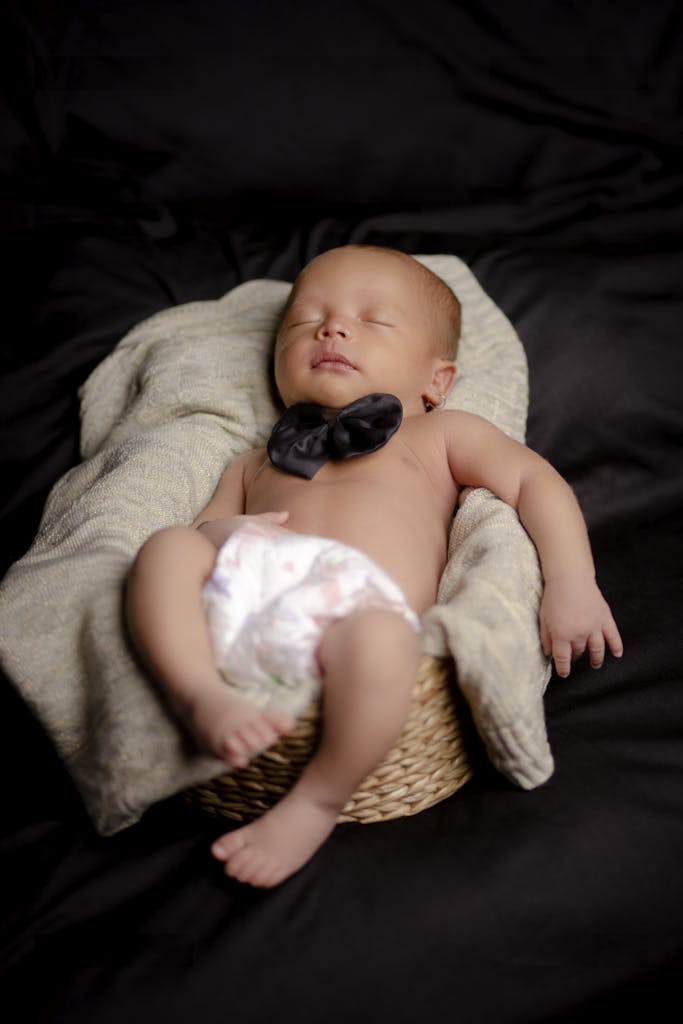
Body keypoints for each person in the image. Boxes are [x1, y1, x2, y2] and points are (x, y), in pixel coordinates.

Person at [126, 244, 623, 888]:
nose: (332, 329)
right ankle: (200, 694)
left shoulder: (439, 434)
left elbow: (534, 482)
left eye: (374, 320)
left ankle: (316, 800)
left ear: (436, 382)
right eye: (306, 321)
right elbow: (203, 533)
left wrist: (571, 580)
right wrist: (223, 533)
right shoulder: (254, 461)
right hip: (245, 600)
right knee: (166, 549)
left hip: (358, 617)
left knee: (386, 640)